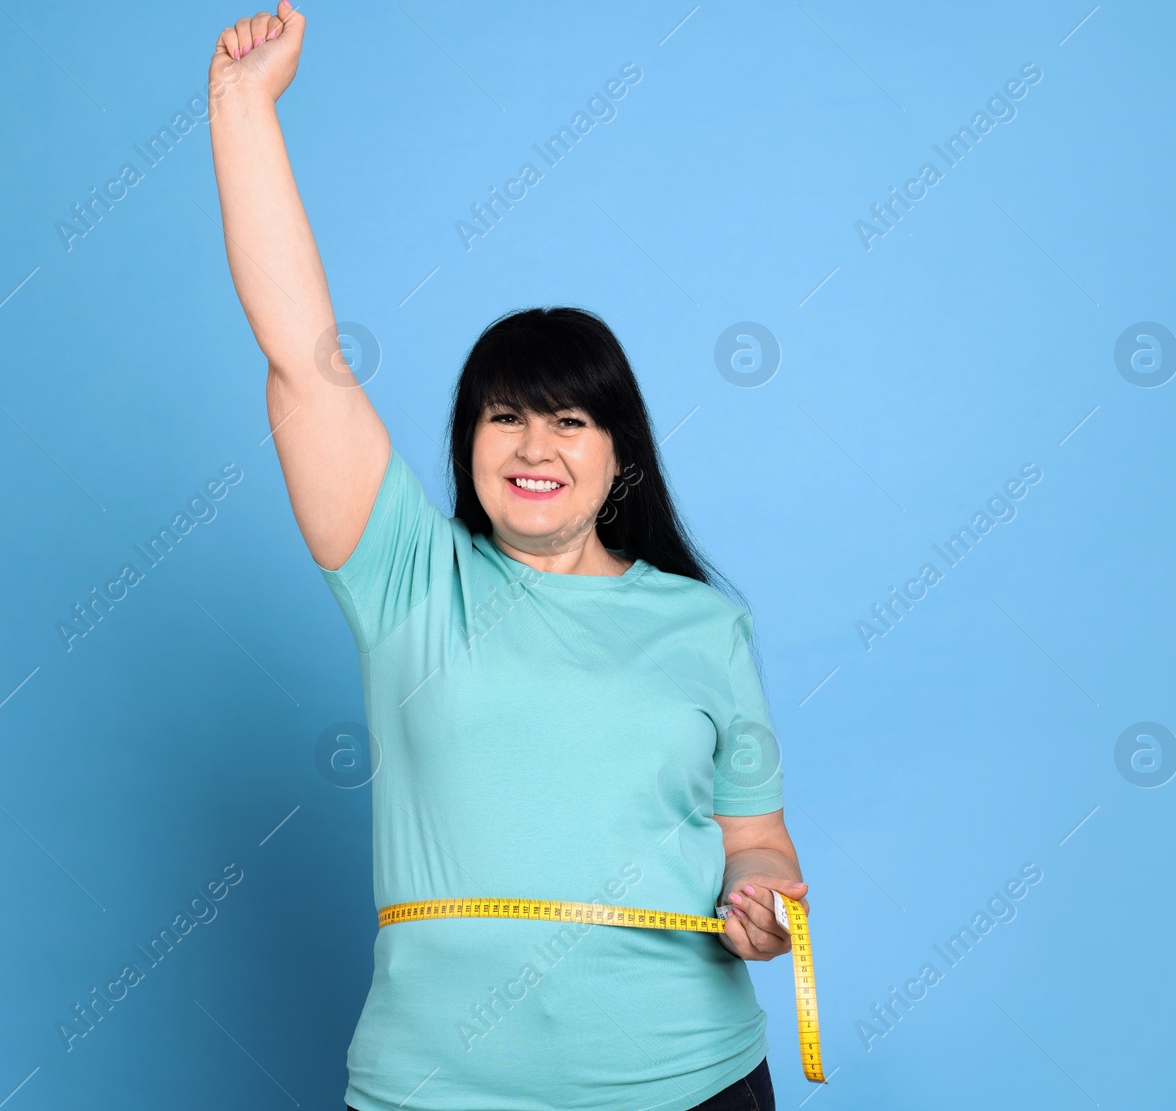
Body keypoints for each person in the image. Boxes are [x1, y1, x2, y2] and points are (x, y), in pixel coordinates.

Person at [208, 7, 810, 1110]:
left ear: (619, 452)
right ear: (468, 445)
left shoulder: (704, 625)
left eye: (571, 421)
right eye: (505, 418)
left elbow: (755, 838)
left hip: (690, 1077)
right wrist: (243, 109)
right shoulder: (406, 581)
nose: (536, 445)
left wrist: (767, 899)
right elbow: (303, 360)